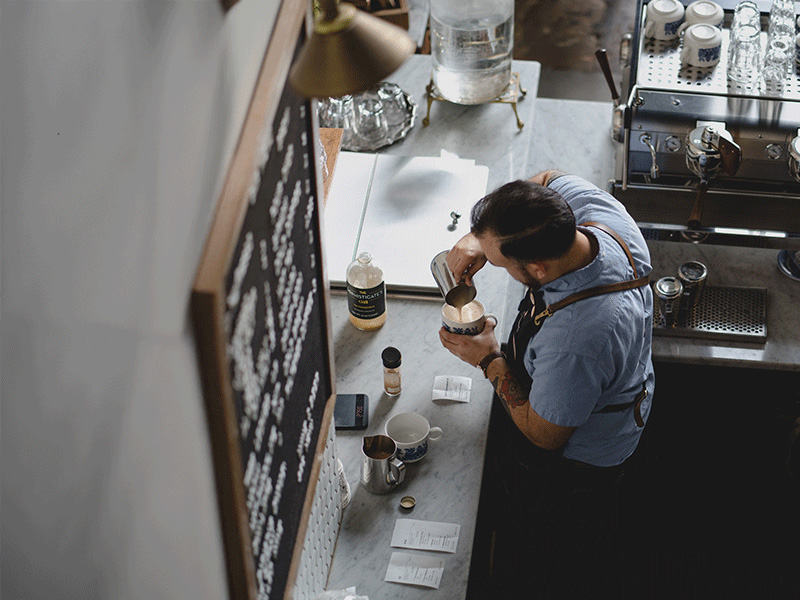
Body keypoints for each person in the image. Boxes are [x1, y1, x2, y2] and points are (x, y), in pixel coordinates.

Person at [441, 171, 655, 598]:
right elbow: (544, 177)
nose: (493, 265)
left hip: (581, 461)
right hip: (614, 382)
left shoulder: (578, 339)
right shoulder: (598, 214)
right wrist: (477, 238)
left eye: (500, 264)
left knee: (551, 547)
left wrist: (487, 358)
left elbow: (544, 434)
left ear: (537, 267)